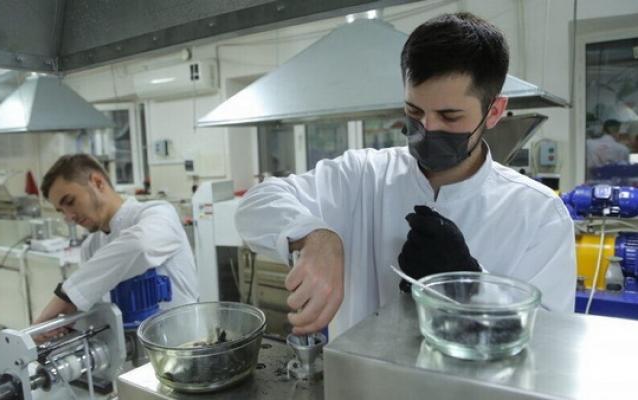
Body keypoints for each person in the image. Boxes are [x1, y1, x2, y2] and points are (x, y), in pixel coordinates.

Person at [234, 12, 576, 338]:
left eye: (449, 116)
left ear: (494, 111)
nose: (427, 128)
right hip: (359, 376)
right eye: (414, 111)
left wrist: (471, 287)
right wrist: (313, 236)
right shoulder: (363, 176)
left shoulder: (539, 214)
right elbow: (256, 204)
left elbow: (549, 339)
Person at [34, 154, 199, 324]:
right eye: (61, 211)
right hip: (128, 340)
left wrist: (67, 294)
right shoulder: (90, 247)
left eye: (70, 202)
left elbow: (140, 246)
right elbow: (96, 311)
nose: (69, 217)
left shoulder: (159, 214)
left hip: (183, 338)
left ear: (98, 182)